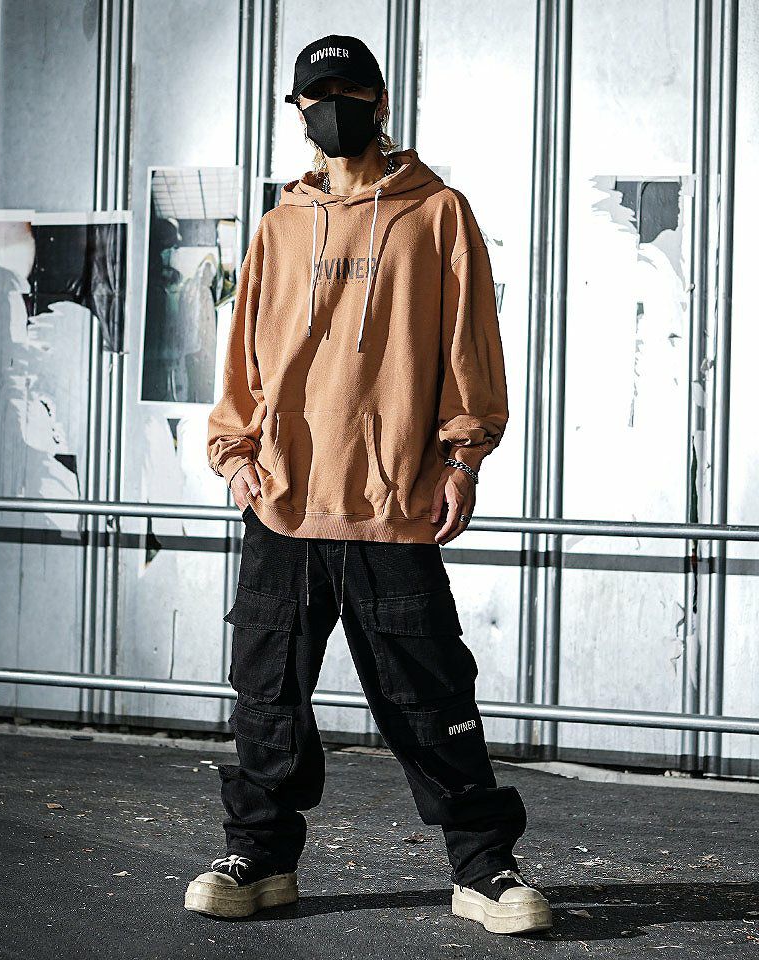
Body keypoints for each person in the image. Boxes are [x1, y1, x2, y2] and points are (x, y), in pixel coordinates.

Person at [185, 34, 553, 936]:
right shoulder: (279, 227)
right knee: (267, 696)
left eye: (349, 93)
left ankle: (485, 868)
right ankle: (260, 858)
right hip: (286, 502)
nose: (332, 109)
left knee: (432, 699)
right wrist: (236, 456)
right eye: (317, 96)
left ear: (381, 104)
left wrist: (463, 456)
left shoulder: (436, 213)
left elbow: (470, 346)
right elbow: (244, 360)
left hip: (394, 502)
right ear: (298, 111)